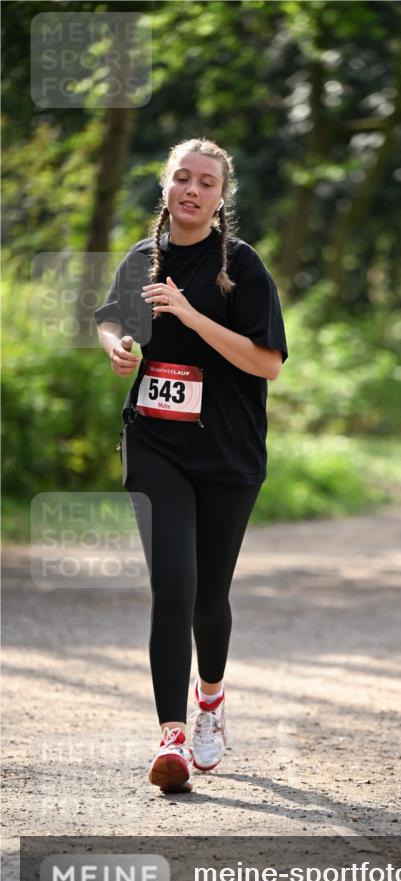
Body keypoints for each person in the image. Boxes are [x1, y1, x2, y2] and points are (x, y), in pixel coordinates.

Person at [95, 138, 288, 793]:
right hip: (155, 443)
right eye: (182, 177)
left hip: (228, 453)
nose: (192, 189)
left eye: (206, 181)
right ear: (166, 186)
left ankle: (210, 698)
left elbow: (267, 362)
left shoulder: (242, 268)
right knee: (173, 586)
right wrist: (117, 345)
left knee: (209, 596)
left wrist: (188, 313)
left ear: (220, 196)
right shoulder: (142, 259)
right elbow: (110, 320)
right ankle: (170, 738)